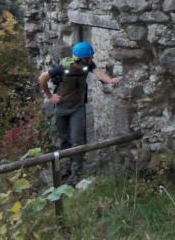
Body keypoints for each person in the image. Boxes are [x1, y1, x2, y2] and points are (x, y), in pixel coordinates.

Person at [38, 42, 120, 184]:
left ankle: (77, 173)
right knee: (63, 138)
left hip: (77, 107)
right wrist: (50, 96)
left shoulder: (89, 65)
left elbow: (99, 73)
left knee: (77, 140)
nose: (92, 58)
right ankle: (67, 166)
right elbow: (42, 79)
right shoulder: (63, 68)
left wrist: (110, 80)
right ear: (83, 58)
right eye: (90, 56)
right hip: (62, 107)